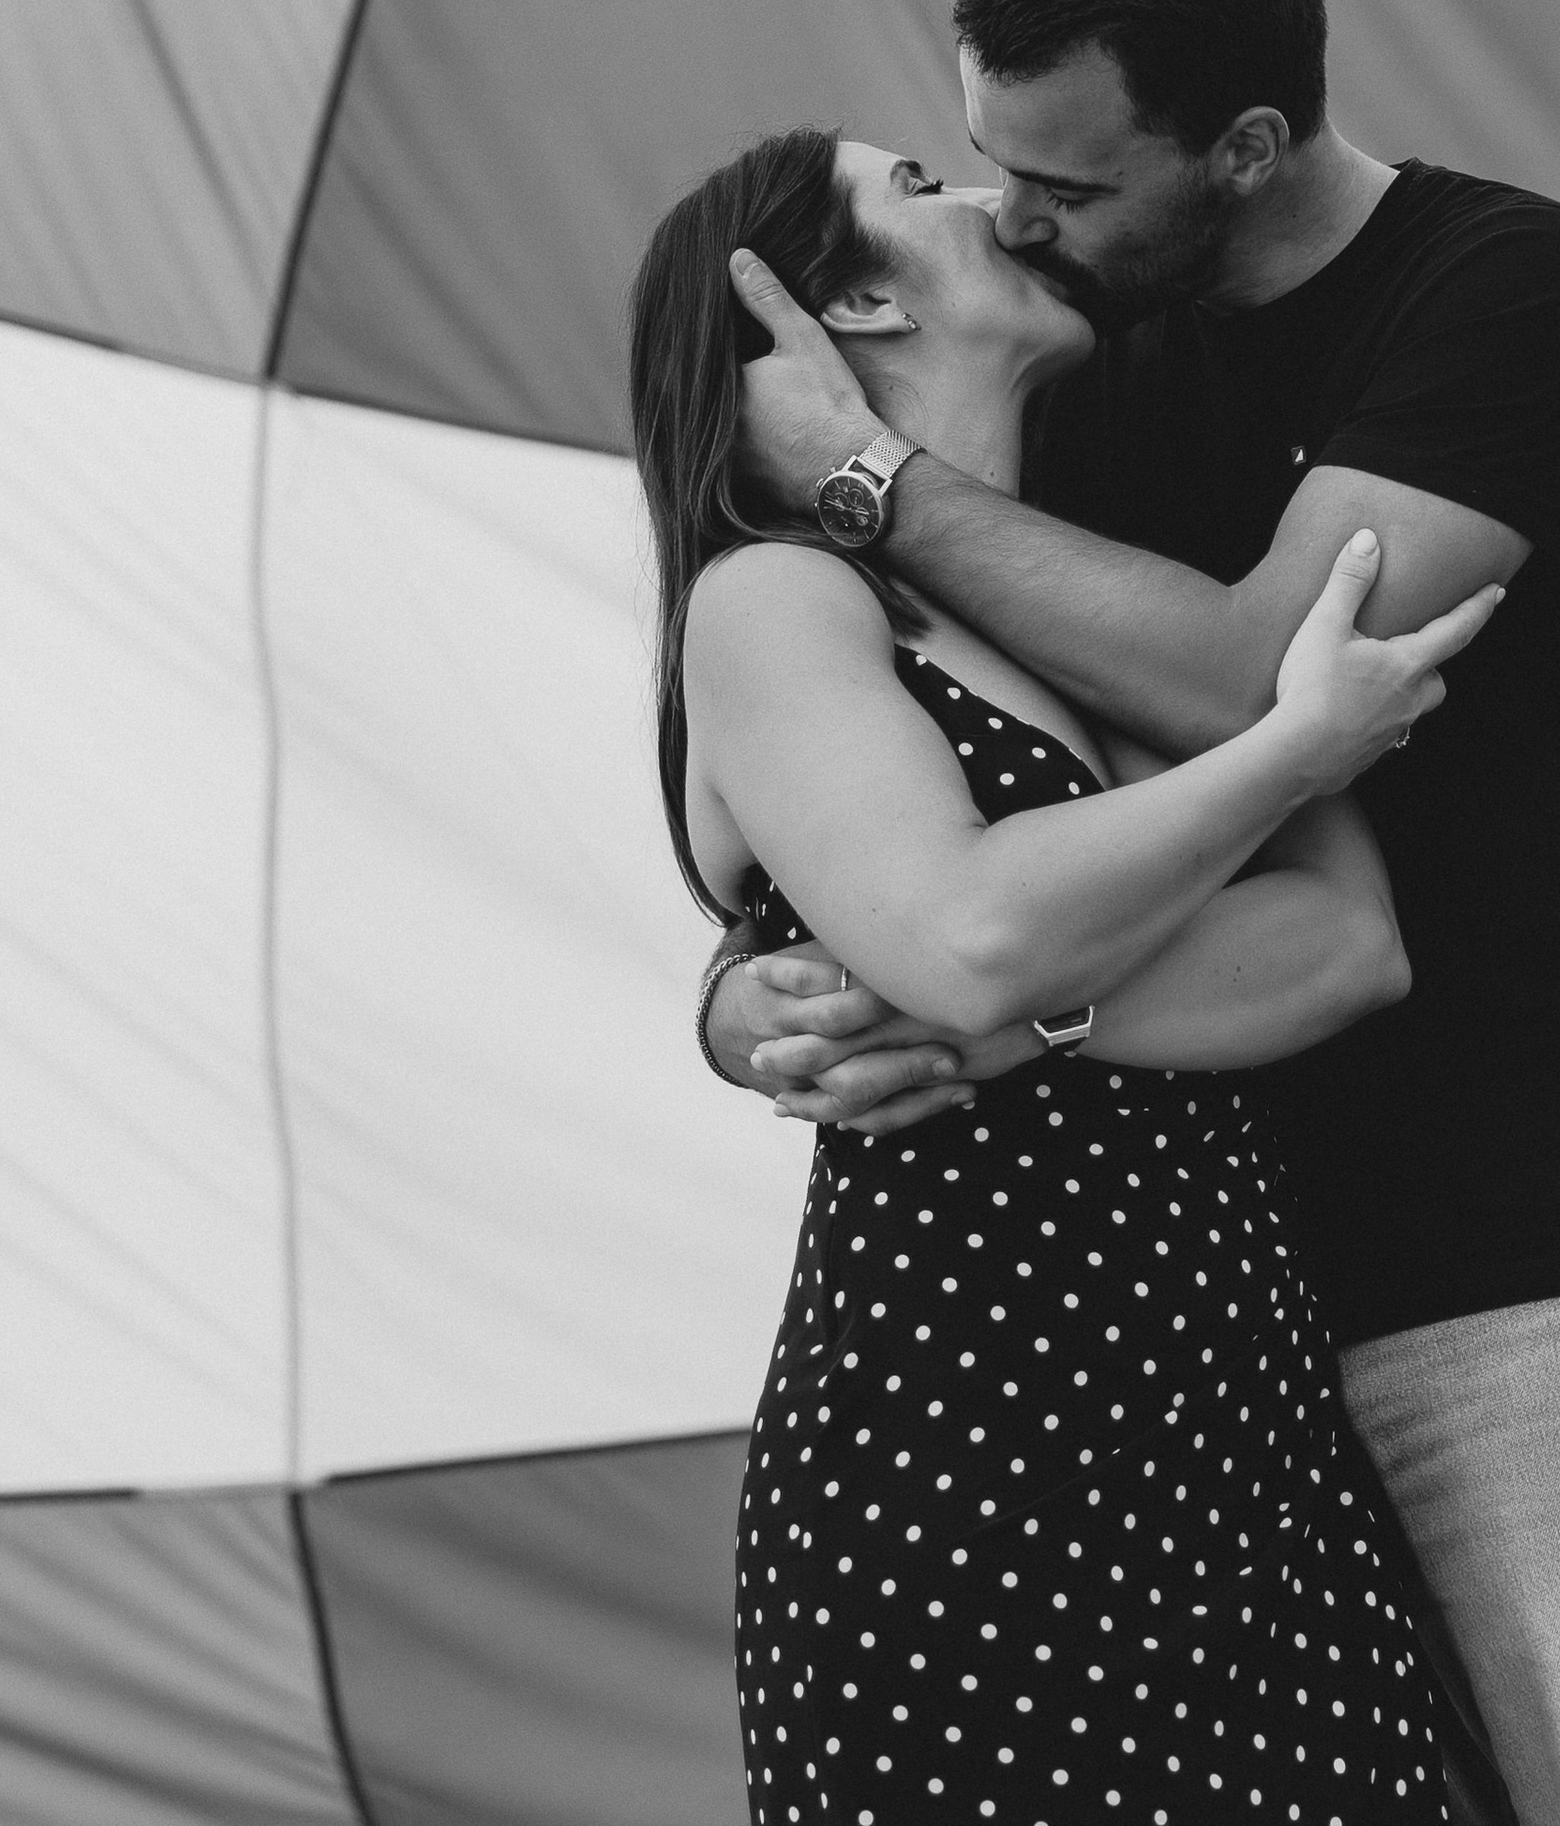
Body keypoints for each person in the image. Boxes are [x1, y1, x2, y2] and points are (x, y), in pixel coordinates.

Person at [705, 0, 1560, 1826]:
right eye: (988, 167)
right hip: (1213, 1362)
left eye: (1064, 182)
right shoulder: (1083, 387)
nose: (1019, 220)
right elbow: (915, 809)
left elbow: (1252, 686)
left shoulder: (1500, 288)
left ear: (1238, 143)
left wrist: (869, 479)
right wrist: (756, 1001)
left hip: (1532, 1284)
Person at [636, 121, 1501, 1823]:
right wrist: (1294, 752)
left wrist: (1024, 1000)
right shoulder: (783, 603)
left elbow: (1341, 945)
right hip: (967, 1464)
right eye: (922, 187)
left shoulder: (1093, 609)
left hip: (1235, 1444)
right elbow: (969, 929)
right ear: (863, 303)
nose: (989, 203)